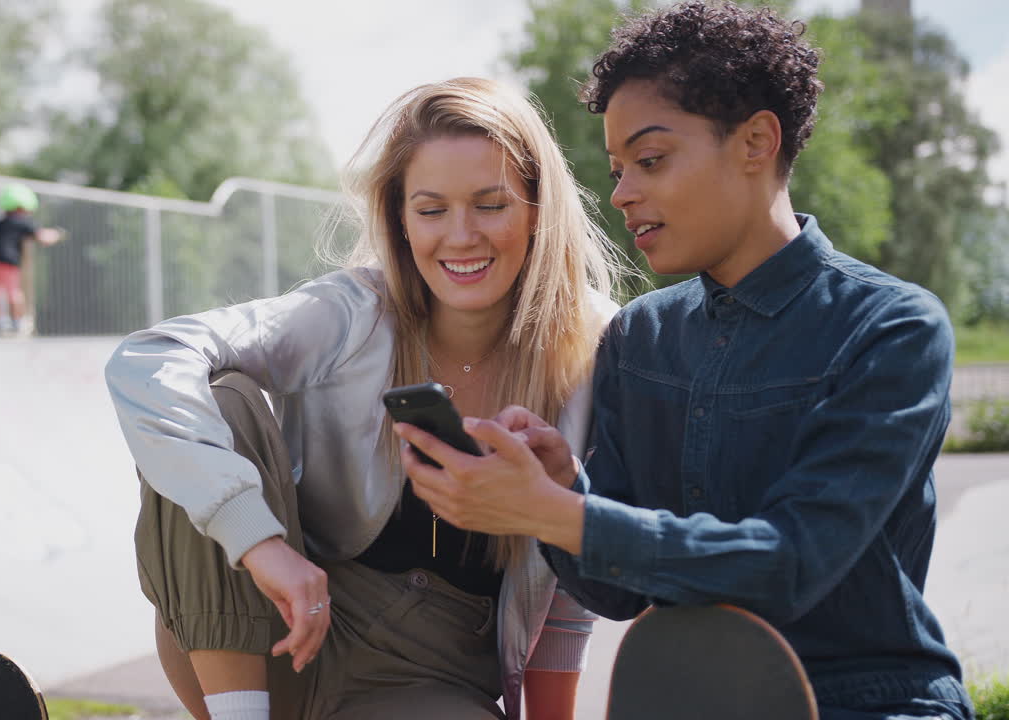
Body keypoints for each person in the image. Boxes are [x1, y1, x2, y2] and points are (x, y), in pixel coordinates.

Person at [397, 4, 974, 719]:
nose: (622, 194)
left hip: (865, 703)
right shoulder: (640, 336)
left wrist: (565, 517)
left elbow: (790, 562)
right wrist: (561, 490)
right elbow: (615, 592)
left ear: (757, 141)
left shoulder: (891, 328)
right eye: (615, 169)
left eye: (651, 160)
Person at [104, 77, 626, 720]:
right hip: (274, 635)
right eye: (431, 210)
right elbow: (151, 359)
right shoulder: (352, 312)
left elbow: (565, 596)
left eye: (490, 205)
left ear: (538, 211)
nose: (460, 236)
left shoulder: (595, 351)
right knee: (220, 397)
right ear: (400, 220)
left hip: (430, 678)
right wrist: (259, 543)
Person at [0, 183, 61, 336]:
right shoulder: (23, 221)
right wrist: (57, 234)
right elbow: (43, 238)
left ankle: (1, 321)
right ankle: (18, 322)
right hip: (8, 263)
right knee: (13, 294)